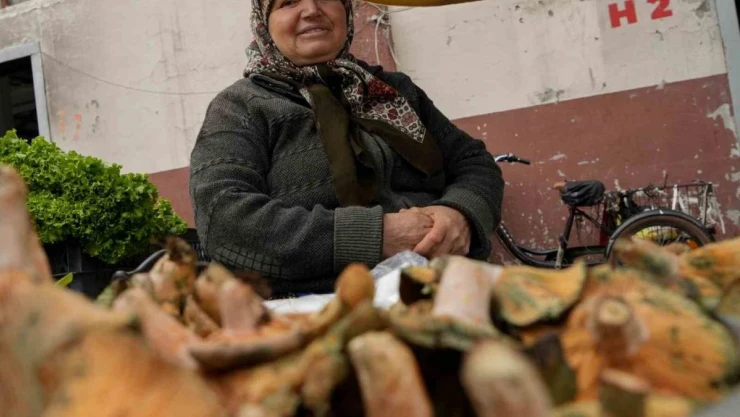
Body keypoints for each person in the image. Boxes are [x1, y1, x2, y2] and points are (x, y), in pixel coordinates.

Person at [189, 0, 505, 297]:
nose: (311, 10)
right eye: (288, 2)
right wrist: (375, 236)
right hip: (320, 305)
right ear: (264, 24)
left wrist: (460, 214)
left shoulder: (393, 89)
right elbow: (223, 218)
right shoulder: (240, 107)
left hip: (446, 286)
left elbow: (473, 162)